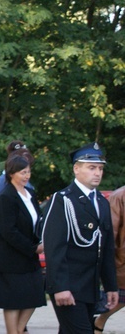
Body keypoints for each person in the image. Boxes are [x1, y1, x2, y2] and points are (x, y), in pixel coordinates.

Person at [42, 142, 118, 333]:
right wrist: (60, 286)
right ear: (76, 169)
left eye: (100, 168)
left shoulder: (101, 201)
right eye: (91, 168)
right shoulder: (63, 200)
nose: (97, 173)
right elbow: (54, 247)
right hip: (68, 286)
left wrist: (110, 286)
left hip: (90, 287)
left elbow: (106, 249)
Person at [0, 154, 45, 334]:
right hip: (10, 258)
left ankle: (20, 329)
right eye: (22, 172)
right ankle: (14, 331)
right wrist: (32, 248)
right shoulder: (6, 196)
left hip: (29, 257)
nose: (26, 176)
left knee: (34, 295)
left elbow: (37, 221)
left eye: (28, 172)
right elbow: (8, 231)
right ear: (11, 173)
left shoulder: (30, 193)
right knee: (12, 301)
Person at [94, 184, 125, 332]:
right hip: (122, 260)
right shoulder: (119, 196)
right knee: (119, 299)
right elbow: (110, 233)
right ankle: (98, 322)